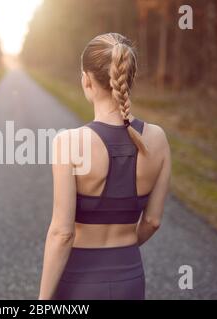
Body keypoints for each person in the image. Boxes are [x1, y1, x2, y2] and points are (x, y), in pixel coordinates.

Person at [38, 33, 171, 300]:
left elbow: (62, 233)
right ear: (128, 77)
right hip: (131, 279)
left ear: (86, 80)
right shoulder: (158, 138)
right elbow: (153, 221)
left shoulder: (70, 142)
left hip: (80, 282)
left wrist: (42, 302)